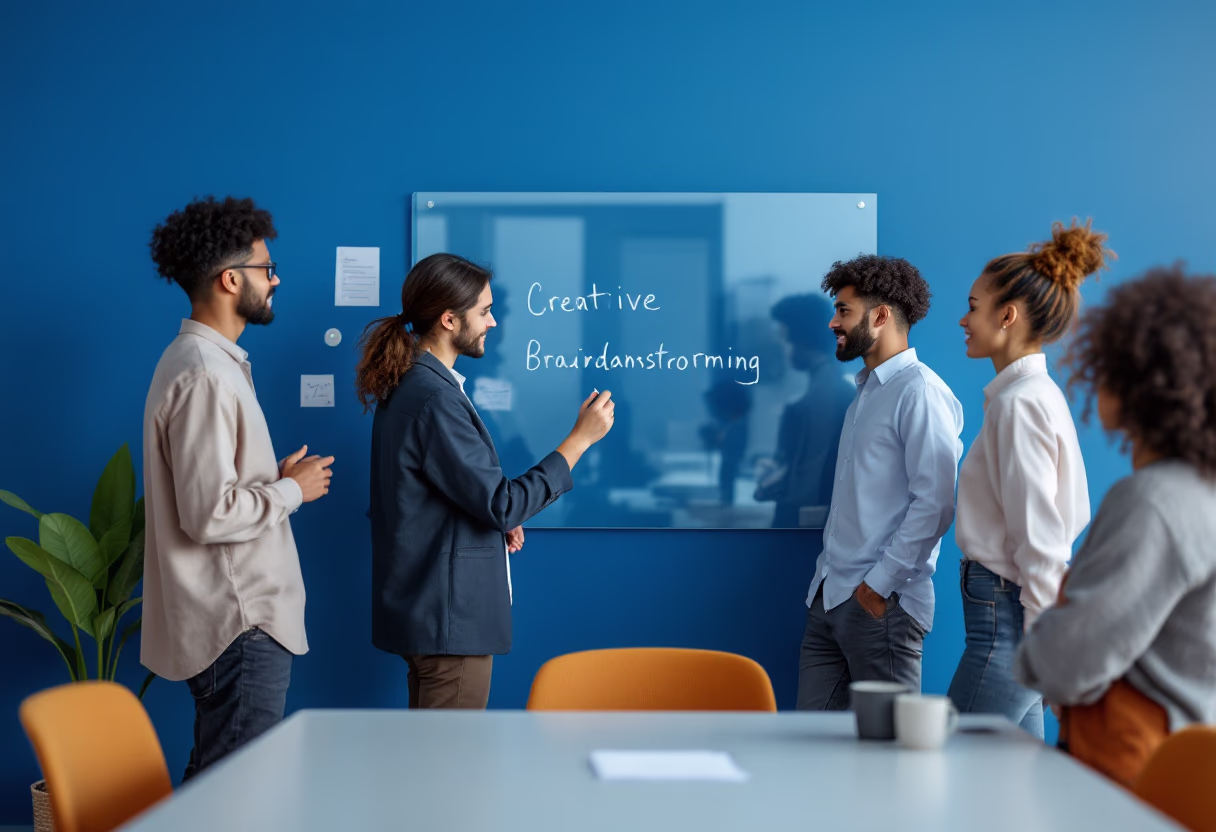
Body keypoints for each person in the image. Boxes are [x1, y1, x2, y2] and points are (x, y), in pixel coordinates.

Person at [357, 253, 614, 709]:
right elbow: (503, 503)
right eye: (485, 311)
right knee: (449, 769)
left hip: (431, 614)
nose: (493, 323)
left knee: (434, 763)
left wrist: (490, 520)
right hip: (448, 622)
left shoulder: (417, 385)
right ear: (449, 319)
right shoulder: (433, 396)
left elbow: (436, 495)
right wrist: (579, 441)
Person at [143, 196, 334, 779]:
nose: (274, 280)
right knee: (237, 791)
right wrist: (292, 491)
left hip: (236, 621)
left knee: (220, 780)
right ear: (231, 279)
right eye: (266, 268)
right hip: (240, 622)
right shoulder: (205, 373)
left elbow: (212, 494)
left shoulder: (204, 363)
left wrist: (270, 481)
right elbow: (208, 514)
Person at [1015, 266, 1216, 788]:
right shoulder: (1201, 493)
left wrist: (1040, 647)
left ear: (1135, 385)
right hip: (1184, 775)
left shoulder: (1153, 501)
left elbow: (1060, 665)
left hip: (1132, 782)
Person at [948, 220, 1110, 738]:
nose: (963, 319)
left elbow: (1041, 544)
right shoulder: (1031, 398)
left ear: (1008, 315)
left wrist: (1047, 653)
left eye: (973, 306)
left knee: (952, 767)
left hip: (1009, 623)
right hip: (1014, 616)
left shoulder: (1020, 406)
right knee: (1012, 788)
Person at [797, 255, 963, 710]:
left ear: (881, 315)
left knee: (889, 758)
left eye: (844, 310)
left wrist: (877, 587)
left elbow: (935, 504)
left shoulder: (920, 392)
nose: (833, 322)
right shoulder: (866, 391)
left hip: (880, 607)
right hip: (829, 596)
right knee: (807, 743)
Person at [755, 293, 854, 528]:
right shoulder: (826, 383)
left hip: (800, 529)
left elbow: (809, 478)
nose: (782, 347)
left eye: (784, 338)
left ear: (798, 338)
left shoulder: (823, 393)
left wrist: (779, 487)